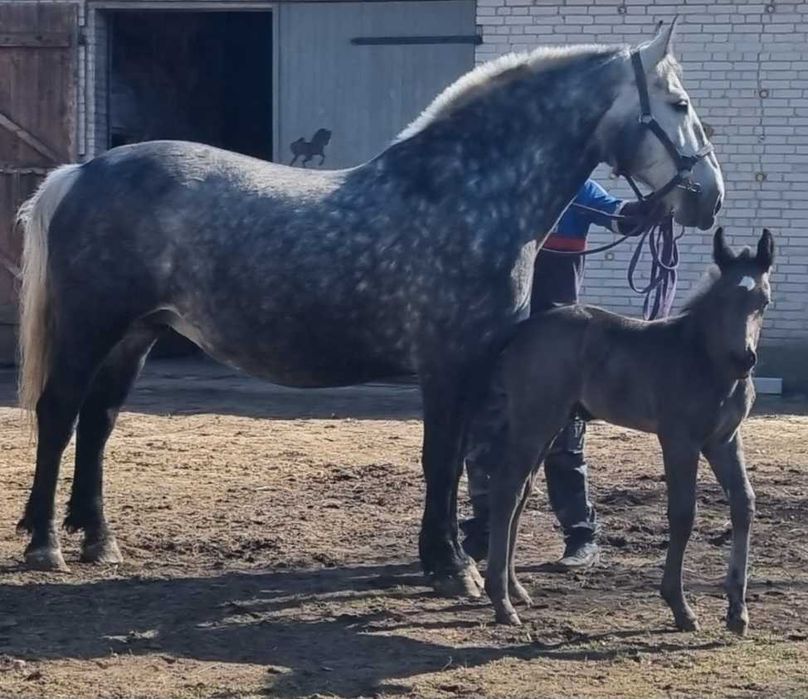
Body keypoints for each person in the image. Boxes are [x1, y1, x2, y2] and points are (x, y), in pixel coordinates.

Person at [462, 179, 660, 570]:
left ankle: (581, 534)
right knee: (485, 433)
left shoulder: (577, 189)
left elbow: (622, 218)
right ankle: (484, 529)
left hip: (556, 343)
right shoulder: (497, 186)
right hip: (499, 336)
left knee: (563, 439)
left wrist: (651, 208)